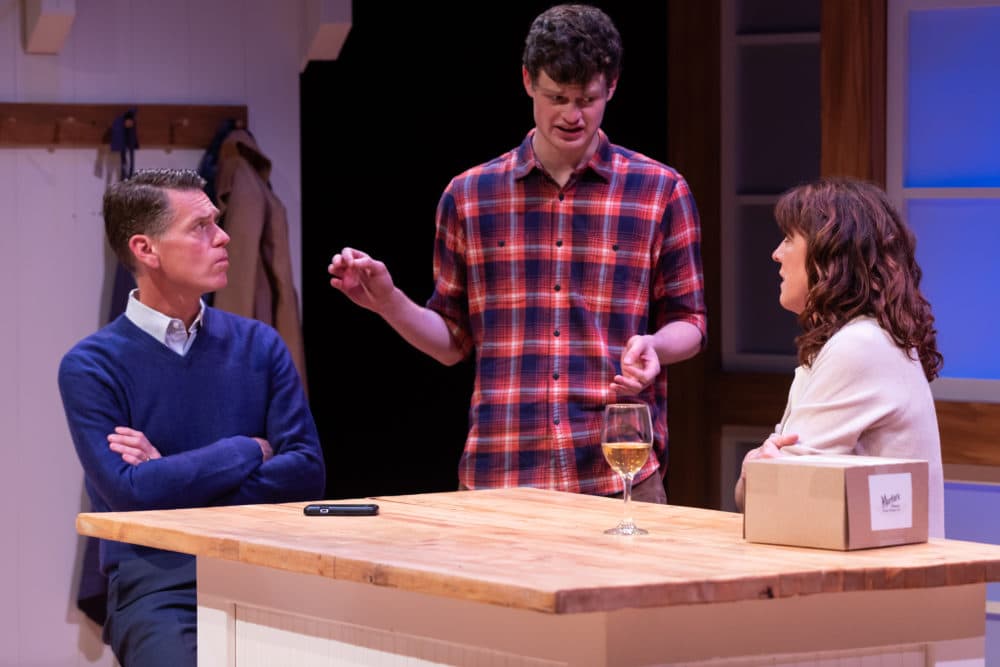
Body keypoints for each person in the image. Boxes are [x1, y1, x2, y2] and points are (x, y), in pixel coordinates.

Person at [328, 4, 706, 503]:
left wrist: (654, 347)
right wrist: (388, 301)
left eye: (587, 99)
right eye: (557, 97)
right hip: (500, 472)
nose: (572, 115)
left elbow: (691, 322)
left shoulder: (658, 190)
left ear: (611, 87)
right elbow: (451, 342)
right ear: (528, 80)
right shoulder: (470, 195)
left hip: (614, 471)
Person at [58, 168, 326, 666]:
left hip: (266, 570)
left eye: (217, 223)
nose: (223, 237)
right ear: (146, 249)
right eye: (200, 227)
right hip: (161, 588)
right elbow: (130, 495)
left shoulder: (259, 344)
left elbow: (307, 473)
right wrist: (247, 449)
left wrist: (168, 472)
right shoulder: (91, 365)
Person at [733, 177, 945, 537]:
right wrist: (760, 470)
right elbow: (756, 490)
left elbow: (769, 493)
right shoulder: (852, 341)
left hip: (886, 577)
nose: (776, 254)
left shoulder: (861, 346)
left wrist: (757, 466)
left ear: (829, 254)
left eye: (788, 239)